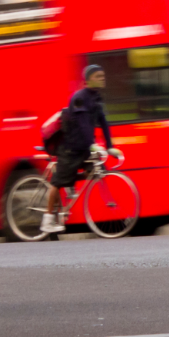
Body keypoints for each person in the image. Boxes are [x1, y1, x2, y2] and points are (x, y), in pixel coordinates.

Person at [41, 63, 112, 235]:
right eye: (98, 76)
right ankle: (47, 221)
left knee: (95, 172)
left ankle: (70, 181)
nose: (102, 78)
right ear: (88, 80)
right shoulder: (79, 97)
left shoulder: (96, 98)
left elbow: (103, 122)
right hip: (70, 148)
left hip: (84, 148)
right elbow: (82, 125)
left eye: (103, 75)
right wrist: (92, 144)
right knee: (56, 184)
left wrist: (110, 147)